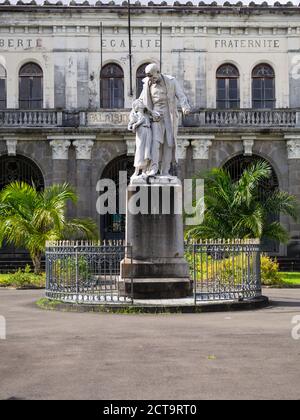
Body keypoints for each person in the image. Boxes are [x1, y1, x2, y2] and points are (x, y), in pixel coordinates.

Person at [139, 63, 191, 176]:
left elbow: (181, 96)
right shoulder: (147, 84)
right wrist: (150, 113)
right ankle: (153, 168)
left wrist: (185, 107)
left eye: (152, 76)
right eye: (148, 76)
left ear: (158, 72)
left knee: (169, 143)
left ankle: (165, 171)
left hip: (169, 115)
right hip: (155, 116)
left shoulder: (171, 81)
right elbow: (141, 102)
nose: (150, 79)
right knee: (155, 143)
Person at [128, 99, 152, 178]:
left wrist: (149, 110)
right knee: (140, 150)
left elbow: (156, 116)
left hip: (148, 131)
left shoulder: (147, 114)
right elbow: (130, 126)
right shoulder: (135, 115)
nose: (142, 104)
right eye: (140, 103)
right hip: (141, 132)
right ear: (137, 106)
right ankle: (137, 171)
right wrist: (137, 124)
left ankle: (144, 171)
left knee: (147, 151)